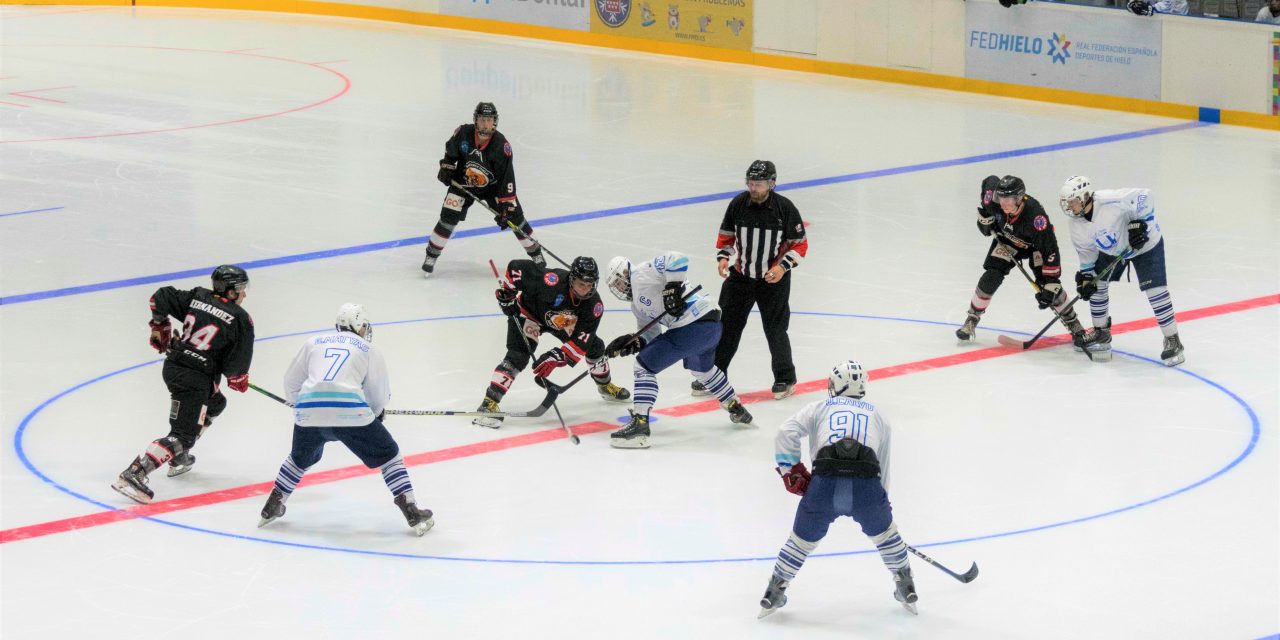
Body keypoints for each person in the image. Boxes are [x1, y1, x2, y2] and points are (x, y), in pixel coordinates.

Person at [758, 360, 918, 619]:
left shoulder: (819, 407)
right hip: (866, 487)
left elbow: (785, 432)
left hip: (825, 484)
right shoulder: (879, 416)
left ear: (840, 384)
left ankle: (774, 591)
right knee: (887, 537)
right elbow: (883, 466)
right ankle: (905, 585)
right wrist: (882, 501)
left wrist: (791, 471)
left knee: (800, 542)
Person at [258, 304, 434, 535]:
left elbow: (291, 382)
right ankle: (411, 510)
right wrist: (375, 412)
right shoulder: (368, 349)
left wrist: (302, 406)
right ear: (360, 326)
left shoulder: (314, 342)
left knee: (299, 458)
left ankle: (272, 505)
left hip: (309, 411)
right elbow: (378, 394)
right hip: (350, 412)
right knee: (389, 455)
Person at [111, 265, 255, 504]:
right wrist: (238, 378)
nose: (244, 294)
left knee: (216, 403)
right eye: (241, 289)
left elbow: (160, 297)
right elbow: (235, 368)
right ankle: (134, 473)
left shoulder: (198, 296)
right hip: (194, 378)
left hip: (175, 367)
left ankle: (178, 456)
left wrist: (160, 325)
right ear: (230, 291)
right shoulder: (240, 319)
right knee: (183, 434)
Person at [604, 251, 753, 449]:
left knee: (643, 367)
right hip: (710, 326)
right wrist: (632, 342)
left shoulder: (640, 274)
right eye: (616, 287)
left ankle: (640, 426)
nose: (620, 289)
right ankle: (735, 406)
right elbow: (651, 335)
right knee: (703, 370)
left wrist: (672, 287)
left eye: (618, 283)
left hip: (695, 323)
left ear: (624, 273)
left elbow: (677, 258)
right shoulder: (637, 307)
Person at [693, 160, 808, 401]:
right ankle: (715, 374)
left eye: (759, 184)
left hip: (773, 280)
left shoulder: (785, 208)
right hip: (741, 278)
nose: (754, 188)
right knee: (727, 328)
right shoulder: (738, 204)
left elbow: (800, 244)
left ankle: (785, 378)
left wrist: (782, 267)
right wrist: (723, 259)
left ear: (772, 184)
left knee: (775, 329)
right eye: (751, 183)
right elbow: (726, 237)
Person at [473, 256, 629, 428]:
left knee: (596, 346)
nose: (585, 290)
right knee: (518, 355)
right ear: (571, 279)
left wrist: (558, 356)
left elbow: (582, 340)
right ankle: (489, 402)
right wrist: (508, 293)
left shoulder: (594, 306)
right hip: (529, 314)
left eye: (589, 285)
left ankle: (605, 386)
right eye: (580, 284)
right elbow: (516, 267)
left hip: (561, 322)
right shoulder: (551, 281)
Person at [1059, 176, 1185, 366]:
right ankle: (1101, 333)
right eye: (1067, 202)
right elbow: (1087, 255)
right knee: (1095, 283)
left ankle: (1173, 339)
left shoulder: (1111, 200)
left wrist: (1140, 225)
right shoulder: (1075, 225)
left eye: (1073, 201)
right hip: (1113, 249)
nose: (1070, 206)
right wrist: (1085, 278)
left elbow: (1145, 196)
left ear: (1085, 197)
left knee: (1155, 291)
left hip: (1145, 246)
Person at [956, 175, 1094, 348]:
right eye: (1001, 198)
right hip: (1007, 241)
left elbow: (1049, 248)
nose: (1003, 203)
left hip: (1034, 246)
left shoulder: (1036, 217)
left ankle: (1075, 325)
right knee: (992, 276)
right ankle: (971, 320)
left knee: (1048, 287)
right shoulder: (993, 199)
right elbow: (989, 181)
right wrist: (984, 216)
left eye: (1009, 199)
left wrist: (1051, 281)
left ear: (1019, 198)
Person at [423, 101, 545, 277]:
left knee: (516, 219)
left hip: (493, 188)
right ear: (475, 120)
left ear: (494, 121)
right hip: (463, 183)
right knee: (448, 218)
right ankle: (431, 255)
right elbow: (450, 156)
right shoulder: (463, 133)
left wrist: (506, 207)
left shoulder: (501, 146)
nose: (486, 124)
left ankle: (536, 253)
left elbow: (507, 179)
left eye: (489, 120)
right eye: (482, 120)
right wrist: (446, 168)